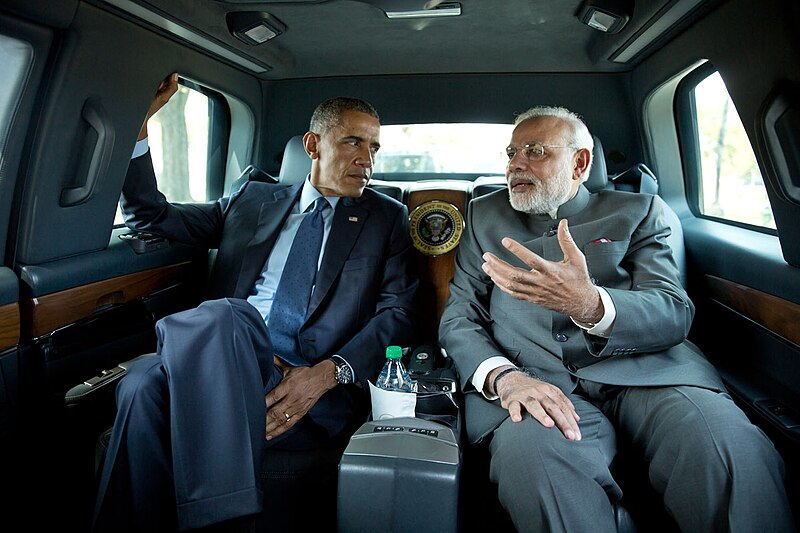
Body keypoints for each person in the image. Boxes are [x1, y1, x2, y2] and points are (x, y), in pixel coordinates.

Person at [439, 106, 794, 532]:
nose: (516, 162)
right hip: (533, 379)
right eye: (512, 151)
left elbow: (672, 309)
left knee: (726, 445)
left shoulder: (641, 211)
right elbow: (460, 316)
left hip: (651, 374)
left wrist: (591, 305)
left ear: (580, 163)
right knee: (533, 460)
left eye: (535, 150)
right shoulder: (481, 215)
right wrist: (506, 379)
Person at [93, 73, 419, 532]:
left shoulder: (386, 217)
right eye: (353, 143)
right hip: (221, 356)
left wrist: (328, 373)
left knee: (167, 363)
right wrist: (139, 127)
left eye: (373, 148)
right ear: (313, 144)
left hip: (298, 373)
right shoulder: (251, 198)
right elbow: (154, 216)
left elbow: (398, 313)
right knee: (155, 373)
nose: (367, 160)